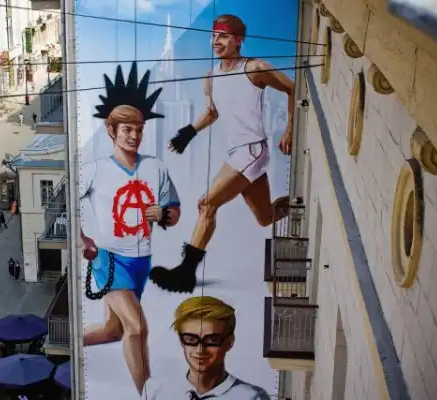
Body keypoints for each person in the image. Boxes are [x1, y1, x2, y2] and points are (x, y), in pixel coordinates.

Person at [149, 14, 295, 294]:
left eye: (224, 36)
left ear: (238, 40)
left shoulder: (255, 68)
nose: (216, 41)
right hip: (237, 152)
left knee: (207, 204)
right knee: (265, 217)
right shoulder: (211, 76)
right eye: (214, 36)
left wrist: (289, 129)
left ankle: (185, 274)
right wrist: (188, 132)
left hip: (251, 150)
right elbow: (212, 112)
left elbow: (292, 88)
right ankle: (297, 203)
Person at [80, 62, 181, 394]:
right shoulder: (95, 170)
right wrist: (82, 240)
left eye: (139, 130)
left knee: (114, 331)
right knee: (137, 328)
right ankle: (147, 393)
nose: (134, 136)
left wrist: (162, 214)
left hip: (141, 262)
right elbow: (65, 204)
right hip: (109, 260)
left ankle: (63, 340)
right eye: (127, 130)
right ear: (111, 131)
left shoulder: (155, 168)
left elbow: (175, 212)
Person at [143, 296, 271, 399]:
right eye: (190, 339)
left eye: (211, 340)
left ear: (229, 342)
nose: (200, 350)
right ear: (181, 341)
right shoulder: (157, 392)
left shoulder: (252, 396)